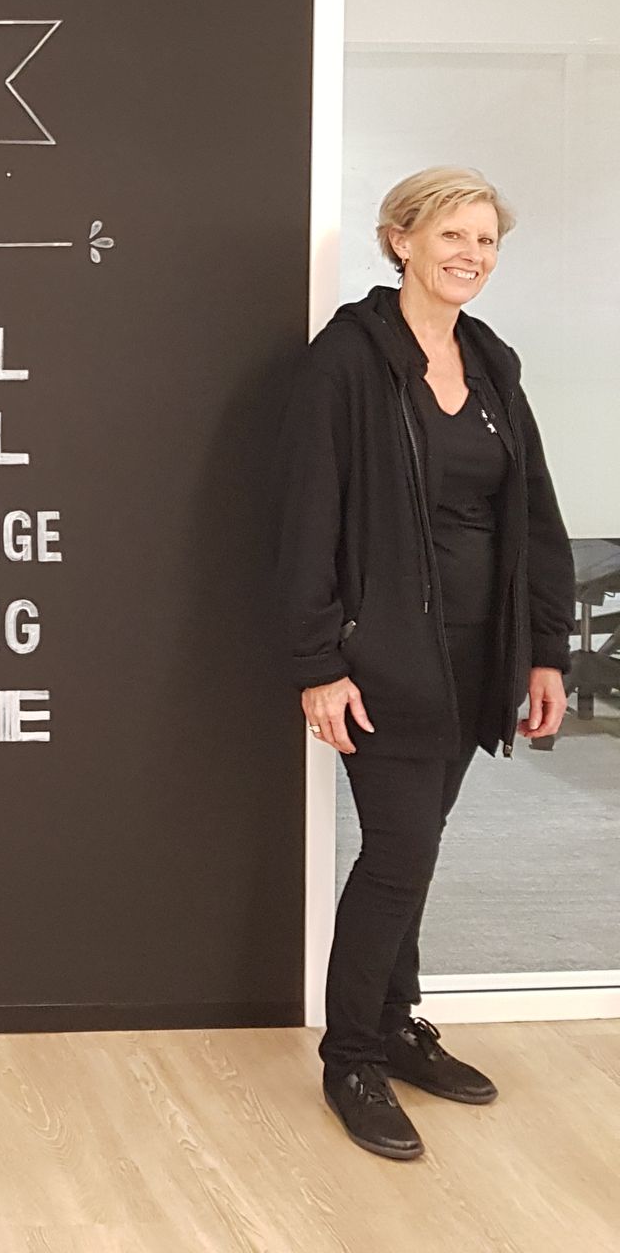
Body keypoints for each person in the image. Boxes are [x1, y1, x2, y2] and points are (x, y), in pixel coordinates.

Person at [275, 166, 573, 1160]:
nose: (471, 256)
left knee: (418, 849)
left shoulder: (489, 361)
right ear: (399, 238)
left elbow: (531, 511)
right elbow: (307, 521)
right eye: (453, 234)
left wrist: (544, 651)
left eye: (487, 241)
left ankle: (397, 1027)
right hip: (385, 653)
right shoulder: (347, 364)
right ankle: (352, 1056)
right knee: (399, 853)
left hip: (476, 654)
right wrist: (319, 662)